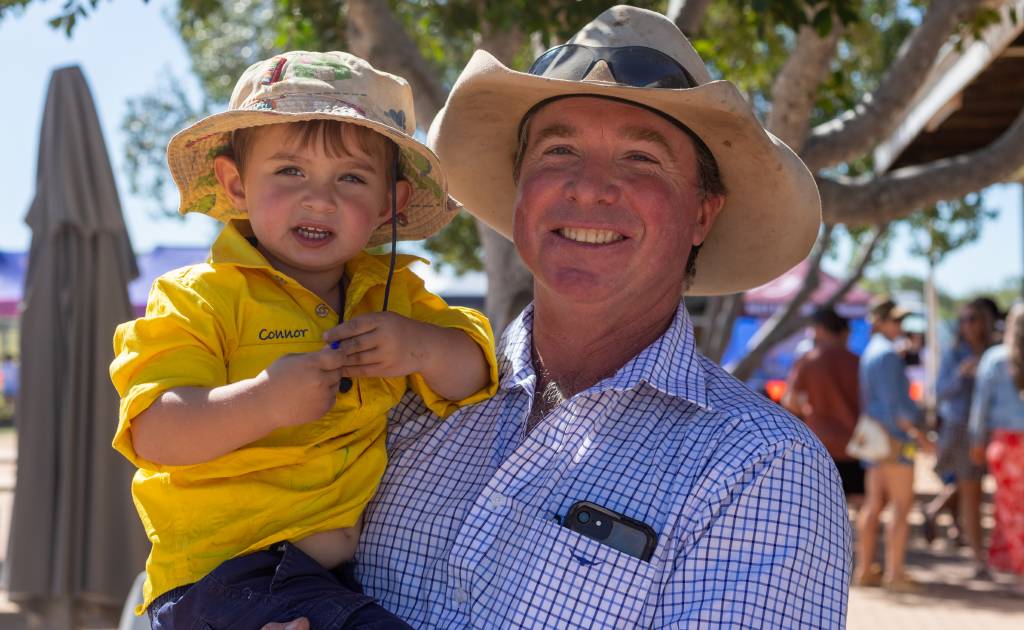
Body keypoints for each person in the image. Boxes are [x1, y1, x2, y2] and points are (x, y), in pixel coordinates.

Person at [266, 7, 851, 628]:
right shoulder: (404, 395)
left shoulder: (760, 467)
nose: (589, 187)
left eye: (641, 160)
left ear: (702, 214)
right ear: (520, 191)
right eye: (559, 149)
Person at [110, 51, 498, 629]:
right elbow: (156, 429)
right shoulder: (198, 296)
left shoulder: (393, 297)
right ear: (236, 184)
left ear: (390, 203)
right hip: (226, 576)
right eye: (289, 172)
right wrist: (263, 400)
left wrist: (421, 348)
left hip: (328, 578)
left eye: (351, 178)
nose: (320, 198)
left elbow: (477, 373)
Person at [855, 296, 935, 591]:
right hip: (894, 439)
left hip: (874, 437)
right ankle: (895, 573)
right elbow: (896, 407)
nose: (900, 326)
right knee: (901, 507)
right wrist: (919, 436)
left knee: (874, 505)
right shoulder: (887, 354)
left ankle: (866, 569)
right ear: (881, 322)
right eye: (896, 320)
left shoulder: (871, 352)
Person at [924, 297, 1000, 574]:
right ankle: (979, 558)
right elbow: (939, 391)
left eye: (973, 319)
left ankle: (937, 514)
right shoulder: (954, 353)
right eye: (964, 320)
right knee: (970, 490)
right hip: (961, 430)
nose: (967, 325)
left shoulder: (995, 351)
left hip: (990, 430)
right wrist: (961, 374)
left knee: (970, 489)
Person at [969, 303, 1024, 591]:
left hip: (1005, 444)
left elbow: (980, 407)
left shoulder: (994, 359)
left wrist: (976, 440)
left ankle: (1017, 567)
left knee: (1009, 509)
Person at [784, 306, 864, 497]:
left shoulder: (809, 360)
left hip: (819, 443)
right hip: (854, 443)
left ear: (819, 328)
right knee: (858, 501)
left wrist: (807, 411)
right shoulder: (857, 361)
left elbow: (791, 402)